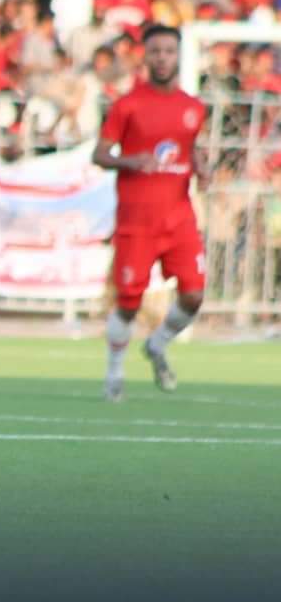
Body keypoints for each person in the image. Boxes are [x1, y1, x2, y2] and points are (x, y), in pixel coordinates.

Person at [92, 24, 208, 402]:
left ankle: (158, 343)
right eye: (155, 51)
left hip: (179, 219)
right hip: (136, 221)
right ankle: (114, 373)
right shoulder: (128, 105)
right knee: (128, 303)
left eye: (169, 51)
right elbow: (99, 154)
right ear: (145, 55)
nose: (162, 58)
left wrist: (202, 167)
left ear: (178, 56)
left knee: (194, 295)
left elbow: (189, 149)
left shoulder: (193, 107)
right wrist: (128, 160)